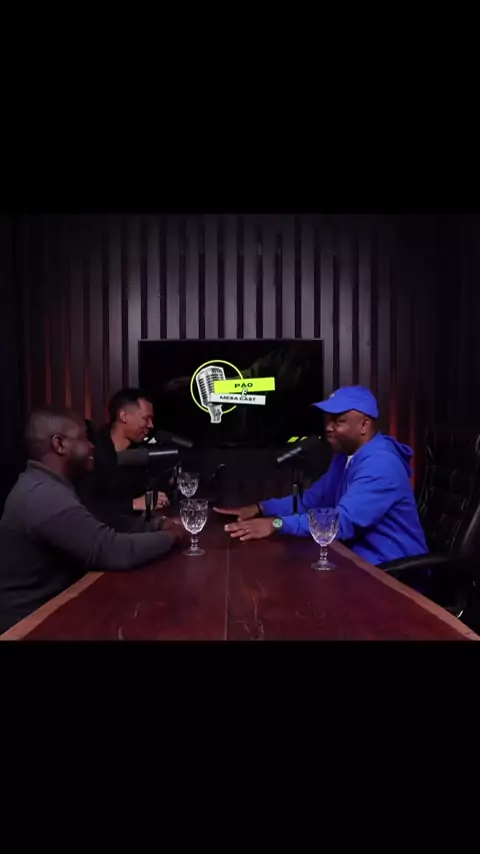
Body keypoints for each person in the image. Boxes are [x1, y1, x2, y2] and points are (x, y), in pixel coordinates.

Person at [0, 406, 185, 633]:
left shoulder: (49, 485)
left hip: (55, 610)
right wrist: (171, 536)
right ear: (59, 444)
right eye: (83, 438)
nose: (91, 445)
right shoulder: (42, 495)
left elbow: (104, 522)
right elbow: (112, 550)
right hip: (28, 625)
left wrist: (156, 524)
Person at [214, 385, 428, 566]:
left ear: (364, 425)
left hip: (393, 572)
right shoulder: (345, 456)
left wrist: (276, 524)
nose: (328, 427)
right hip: (357, 561)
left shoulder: (381, 464)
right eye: (327, 420)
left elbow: (342, 523)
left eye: (338, 421)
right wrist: (260, 508)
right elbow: (312, 500)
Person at [81, 388, 170, 530]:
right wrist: (133, 504)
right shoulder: (93, 453)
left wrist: (157, 498)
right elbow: (88, 507)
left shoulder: (141, 453)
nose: (151, 425)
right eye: (146, 419)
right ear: (124, 416)